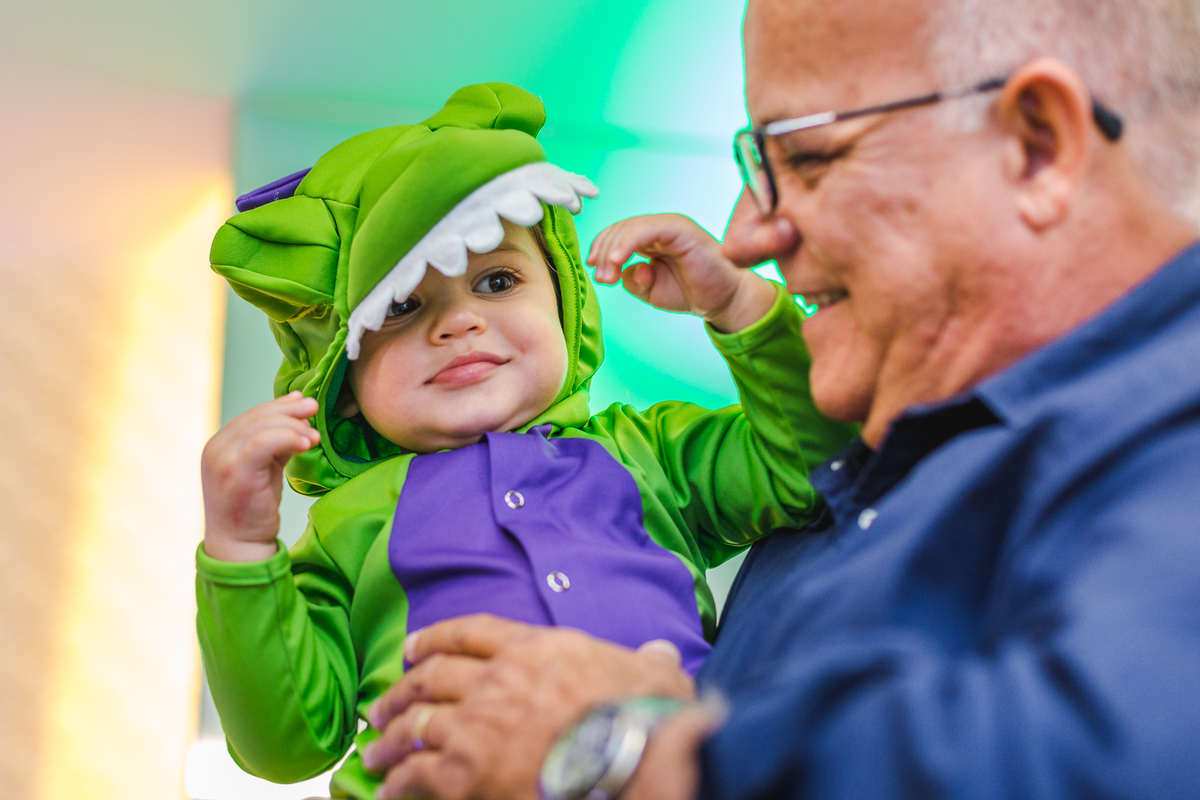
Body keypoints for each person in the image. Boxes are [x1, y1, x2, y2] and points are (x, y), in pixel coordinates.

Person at [359, 0, 1200, 798]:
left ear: (1038, 146)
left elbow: (1120, 757)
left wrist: (617, 749)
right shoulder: (906, 450)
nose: (751, 233)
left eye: (805, 157)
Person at [196, 82, 853, 799]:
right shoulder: (347, 528)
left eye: (498, 279)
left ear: (566, 299)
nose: (459, 323)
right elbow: (285, 743)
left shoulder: (648, 451)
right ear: (342, 382)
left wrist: (737, 301)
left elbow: (814, 464)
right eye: (404, 305)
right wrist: (240, 550)